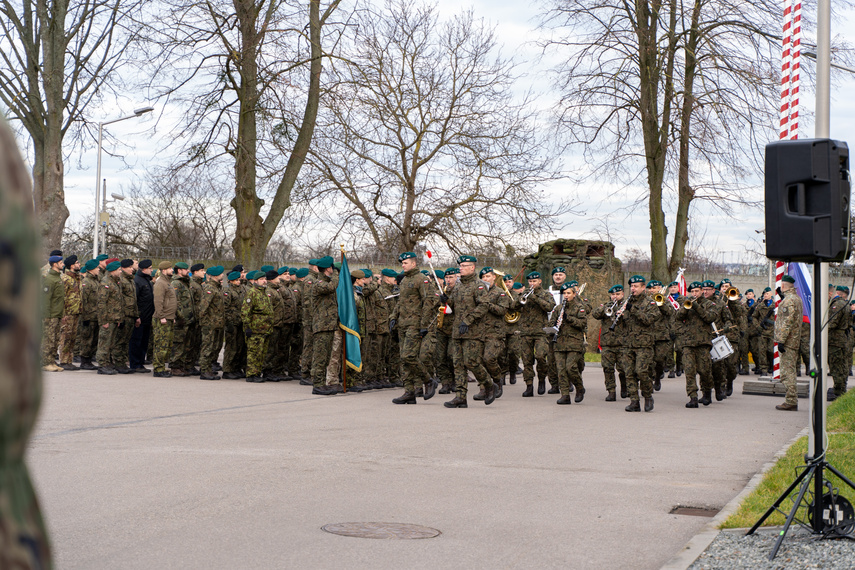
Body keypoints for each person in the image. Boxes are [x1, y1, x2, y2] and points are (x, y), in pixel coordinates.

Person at [443, 255, 496, 407]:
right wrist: (446, 299)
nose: (461, 268)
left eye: (464, 266)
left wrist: (468, 320)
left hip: (473, 331)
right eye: (460, 266)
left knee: (471, 362)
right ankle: (460, 396)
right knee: (458, 364)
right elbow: (454, 305)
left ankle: (489, 384)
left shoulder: (479, 285)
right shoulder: (458, 286)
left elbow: (483, 306)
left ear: (472, 267)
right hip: (457, 331)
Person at [391, 251, 439, 404]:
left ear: (413, 263)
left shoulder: (422, 279)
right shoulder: (404, 280)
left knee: (408, 356)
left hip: (415, 324)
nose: (403, 265)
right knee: (403, 360)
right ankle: (409, 392)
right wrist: (393, 317)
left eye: (405, 263)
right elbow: (400, 302)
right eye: (402, 263)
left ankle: (428, 380)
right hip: (403, 324)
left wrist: (424, 325)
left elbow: (429, 302)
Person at [619, 275, 658, 412]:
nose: (633, 289)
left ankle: (647, 396)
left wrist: (632, 310)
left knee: (641, 371)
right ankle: (634, 401)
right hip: (627, 343)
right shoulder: (627, 302)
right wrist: (619, 316)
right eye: (631, 286)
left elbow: (648, 320)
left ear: (643, 287)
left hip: (643, 344)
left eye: (636, 286)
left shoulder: (650, 303)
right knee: (629, 373)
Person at [675, 282, 716, 407]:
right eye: (692, 292)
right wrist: (685, 309)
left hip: (703, 342)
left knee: (704, 370)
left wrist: (697, 307)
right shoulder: (687, 303)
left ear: (702, 291)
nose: (694, 294)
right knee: (689, 370)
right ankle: (693, 397)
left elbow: (709, 318)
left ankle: (707, 391)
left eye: (696, 291)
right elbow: (677, 317)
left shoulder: (709, 304)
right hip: (688, 342)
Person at [515, 271, 555, 397]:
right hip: (525, 332)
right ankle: (529, 386)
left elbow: (550, 307)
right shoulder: (524, 293)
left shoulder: (545, 294)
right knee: (526, 360)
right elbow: (513, 306)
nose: (532, 284)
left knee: (541, 357)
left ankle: (542, 379)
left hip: (540, 332)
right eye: (530, 282)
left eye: (534, 281)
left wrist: (535, 298)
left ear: (540, 281)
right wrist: (520, 299)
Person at [476, 267, 511, 400]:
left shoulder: (500, 293)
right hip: (479, 332)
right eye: (483, 277)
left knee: (489, 358)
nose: (486, 279)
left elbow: (502, 310)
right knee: (478, 361)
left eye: (488, 276)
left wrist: (487, 304)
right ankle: (484, 388)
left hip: (494, 333)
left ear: (493, 277)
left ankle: (497, 381)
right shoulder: (478, 292)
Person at [550, 282, 587, 404]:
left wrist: (568, 318)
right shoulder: (558, 308)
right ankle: (565, 395)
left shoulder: (579, 307)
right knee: (560, 370)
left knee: (570, 367)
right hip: (559, 343)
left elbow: (582, 324)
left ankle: (579, 387)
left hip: (574, 343)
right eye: (564, 293)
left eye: (568, 293)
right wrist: (554, 325)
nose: (566, 296)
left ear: (574, 294)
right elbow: (551, 324)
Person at [309, 256, 340, 395]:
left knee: (326, 356)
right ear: (328, 268)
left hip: (329, 325)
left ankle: (322, 383)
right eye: (332, 267)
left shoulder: (325, 281)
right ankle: (317, 384)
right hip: (321, 326)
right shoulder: (319, 283)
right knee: (320, 357)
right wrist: (337, 274)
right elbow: (332, 287)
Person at [591, 284, 627, 401]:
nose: (615, 297)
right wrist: (605, 308)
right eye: (613, 294)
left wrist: (623, 313)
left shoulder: (627, 305)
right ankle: (611, 391)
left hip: (622, 342)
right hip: (607, 343)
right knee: (607, 368)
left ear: (622, 294)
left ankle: (624, 386)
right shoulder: (606, 305)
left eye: (617, 294)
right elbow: (595, 314)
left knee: (623, 368)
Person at [774, 275, 803, 411]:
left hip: (788, 342)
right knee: (789, 370)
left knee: (787, 372)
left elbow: (787, 321)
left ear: (784, 286)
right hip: (793, 340)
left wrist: (781, 340)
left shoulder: (789, 301)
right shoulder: (795, 299)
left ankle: (791, 400)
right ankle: (791, 399)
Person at [242, 270, 274, 383]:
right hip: (255, 329)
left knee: (261, 353)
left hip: (265, 329)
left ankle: (257, 372)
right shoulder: (252, 292)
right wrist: (247, 327)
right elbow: (246, 312)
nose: (264, 281)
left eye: (265, 279)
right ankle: (251, 374)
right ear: (255, 281)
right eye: (261, 279)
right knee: (254, 352)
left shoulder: (264, 292)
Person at [96, 260, 125, 375]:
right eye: (119, 270)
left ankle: (107, 363)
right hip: (107, 319)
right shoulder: (105, 283)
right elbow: (101, 303)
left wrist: (118, 318)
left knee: (110, 343)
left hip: (114, 318)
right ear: (113, 271)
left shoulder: (115, 282)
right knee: (104, 342)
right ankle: (102, 365)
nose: (120, 271)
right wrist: (104, 320)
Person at [152, 261, 176, 377]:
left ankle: (161, 367)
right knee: (161, 344)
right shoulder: (160, 283)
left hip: (169, 318)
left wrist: (172, 316)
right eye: (169, 268)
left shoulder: (167, 283)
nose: (172, 270)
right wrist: (162, 316)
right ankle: (158, 369)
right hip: (162, 318)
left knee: (167, 344)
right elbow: (158, 301)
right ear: (163, 270)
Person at [170, 262, 195, 376]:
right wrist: (180, 316)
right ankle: (175, 366)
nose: (188, 271)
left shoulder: (185, 283)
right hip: (181, 319)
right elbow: (176, 301)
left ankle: (181, 365)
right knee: (178, 343)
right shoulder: (176, 283)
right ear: (179, 270)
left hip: (188, 319)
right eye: (186, 269)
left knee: (186, 344)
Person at [130, 259, 154, 373]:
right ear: (144, 269)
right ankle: (135, 364)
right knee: (136, 341)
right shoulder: (137, 281)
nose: (151, 270)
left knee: (144, 341)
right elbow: (135, 300)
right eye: (150, 268)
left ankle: (140, 362)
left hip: (148, 316)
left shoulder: (147, 281)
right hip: (140, 316)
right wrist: (136, 316)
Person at [41, 255, 65, 372]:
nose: (63, 264)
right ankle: (45, 363)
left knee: (55, 340)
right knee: (48, 339)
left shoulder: (58, 278)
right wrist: (46, 316)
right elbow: (46, 300)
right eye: (61, 263)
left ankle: (51, 361)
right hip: (50, 315)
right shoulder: (49, 279)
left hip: (57, 314)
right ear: (55, 264)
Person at [58, 255, 81, 370]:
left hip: (76, 312)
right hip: (67, 313)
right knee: (66, 337)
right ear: (72, 265)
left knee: (72, 337)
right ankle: (63, 361)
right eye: (77, 263)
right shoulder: (65, 279)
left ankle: (69, 360)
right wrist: (63, 314)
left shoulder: (77, 278)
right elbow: (61, 298)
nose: (79, 264)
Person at [77, 260, 102, 370]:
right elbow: (84, 300)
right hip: (89, 316)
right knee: (87, 339)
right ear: (91, 269)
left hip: (96, 315)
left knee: (94, 339)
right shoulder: (87, 282)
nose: (99, 269)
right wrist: (85, 317)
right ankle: (84, 361)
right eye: (97, 268)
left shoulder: (96, 281)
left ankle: (89, 359)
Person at [827, 285, 850, 401]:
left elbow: (832, 323)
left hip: (835, 340)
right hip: (842, 338)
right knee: (841, 365)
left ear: (830, 294)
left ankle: (838, 391)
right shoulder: (845, 303)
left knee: (836, 367)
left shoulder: (837, 305)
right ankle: (841, 389)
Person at [222, 271, 247, 379]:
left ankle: (236, 368)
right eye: (236, 280)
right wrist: (228, 323)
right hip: (232, 322)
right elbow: (225, 309)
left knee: (239, 346)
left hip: (240, 322)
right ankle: (227, 369)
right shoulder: (228, 291)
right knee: (231, 347)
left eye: (239, 280)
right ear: (231, 281)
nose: (238, 282)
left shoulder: (241, 290)